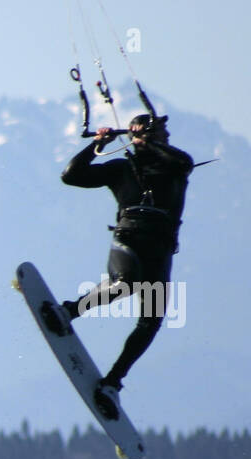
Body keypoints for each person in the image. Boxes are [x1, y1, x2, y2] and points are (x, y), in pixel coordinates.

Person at [55, 114, 194, 419]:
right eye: (163, 133)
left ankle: (112, 384)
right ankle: (68, 311)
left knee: (152, 320)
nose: (167, 138)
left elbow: (181, 161)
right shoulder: (121, 168)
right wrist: (97, 145)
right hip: (130, 238)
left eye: (165, 134)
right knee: (125, 284)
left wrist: (147, 139)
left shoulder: (176, 167)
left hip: (161, 250)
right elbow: (70, 176)